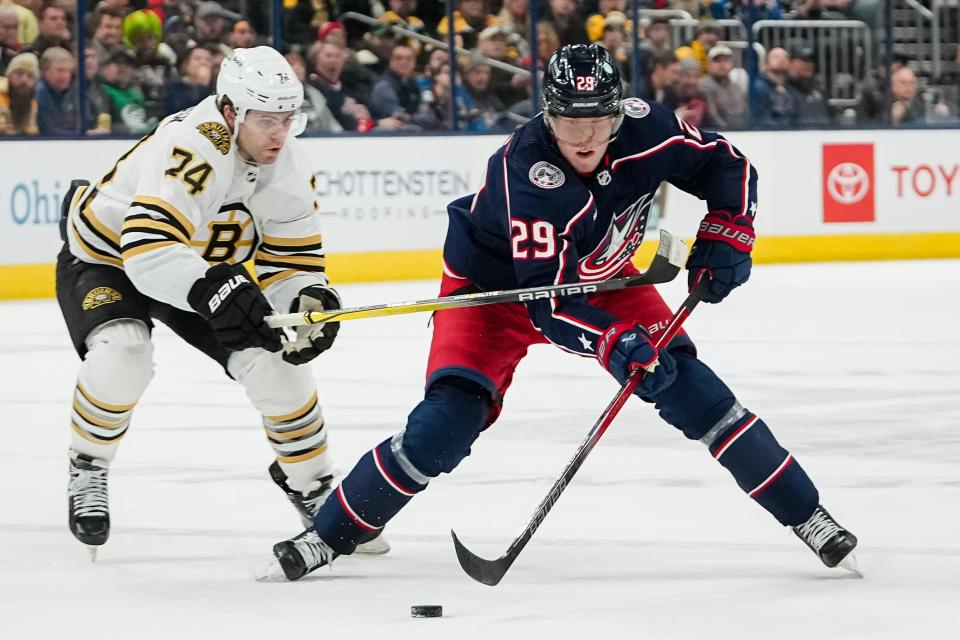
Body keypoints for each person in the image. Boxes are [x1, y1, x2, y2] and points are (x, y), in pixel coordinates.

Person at [263, 44, 859, 581]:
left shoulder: (648, 129)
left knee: (694, 391)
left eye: (598, 118)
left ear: (618, 111)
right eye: (569, 119)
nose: (584, 134)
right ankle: (329, 534)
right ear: (546, 113)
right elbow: (549, 304)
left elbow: (727, 165)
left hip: (604, 277)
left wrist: (729, 231)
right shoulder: (524, 175)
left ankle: (810, 516)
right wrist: (614, 342)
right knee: (443, 428)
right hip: (496, 293)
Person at [56, 46, 388, 559]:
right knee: (123, 352)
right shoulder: (193, 142)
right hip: (109, 260)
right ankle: (88, 463)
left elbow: (293, 263)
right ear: (230, 112)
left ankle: (312, 484)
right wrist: (216, 289)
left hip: (198, 271)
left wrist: (306, 303)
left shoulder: (290, 163)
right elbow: (147, 251)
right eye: (266, 120)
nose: (280, 133)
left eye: (287, 118)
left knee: (276, 363)